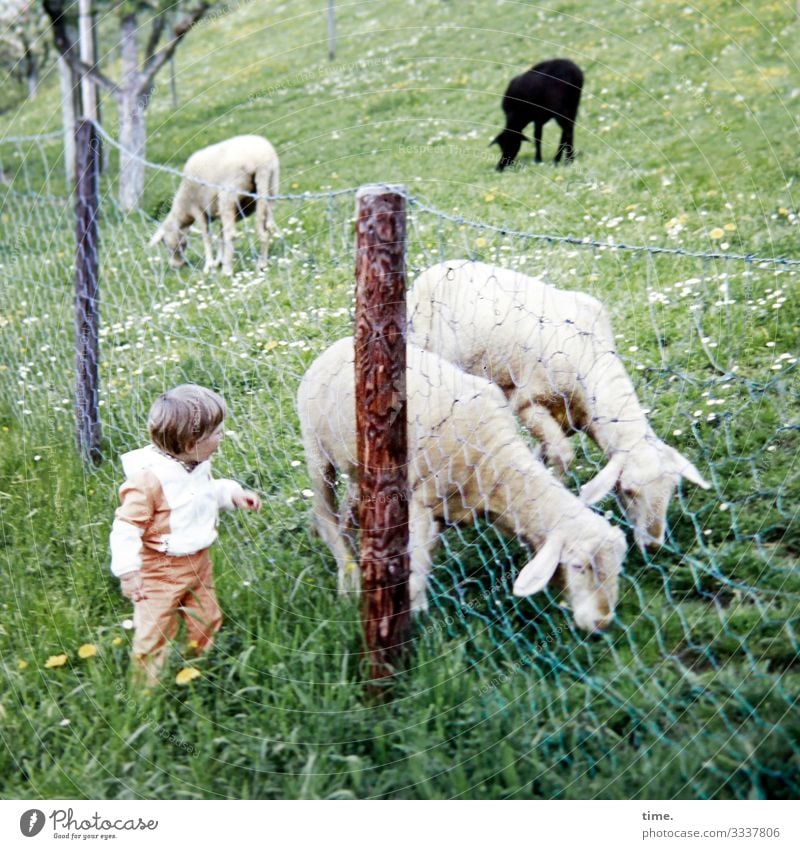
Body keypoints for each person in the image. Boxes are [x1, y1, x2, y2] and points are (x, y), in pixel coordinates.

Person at [109, 384, 261, 684]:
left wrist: (232, 495)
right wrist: (128, 572)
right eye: (216, 432)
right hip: (159, 568)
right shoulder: (149, 480)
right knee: (155, 629)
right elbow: (126, 527)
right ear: (192, 442)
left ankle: (199, 668)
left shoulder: (195, 463)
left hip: (198, 563)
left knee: (207, 616)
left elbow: (201, 495)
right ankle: (146, 690)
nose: (222, 436)